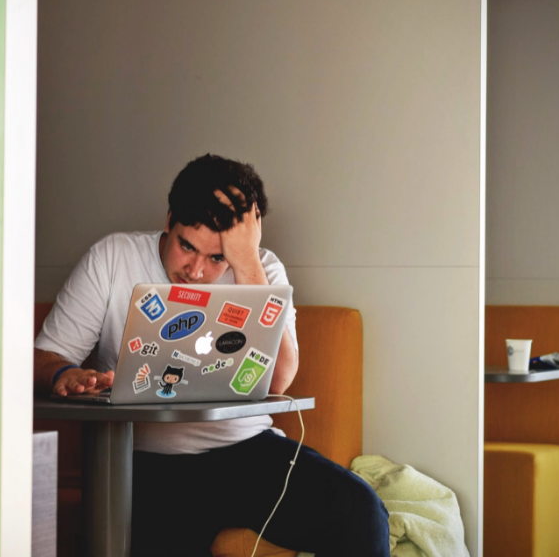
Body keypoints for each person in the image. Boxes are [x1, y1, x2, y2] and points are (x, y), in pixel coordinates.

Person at [33, 154, 390, 556]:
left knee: (362, 511)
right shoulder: (112, 258)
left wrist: (245, 263)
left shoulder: (262, 268)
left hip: (248, 451)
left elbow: (279, 380)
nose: (197, 271)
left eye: (217, 257)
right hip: (148, 462)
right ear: (169, 220)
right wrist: (64, 373)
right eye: (187, 246)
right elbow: (44, 357)